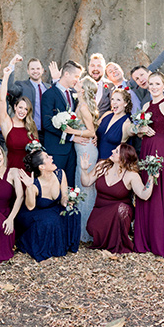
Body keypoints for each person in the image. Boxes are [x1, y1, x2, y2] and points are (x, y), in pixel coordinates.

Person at [133, 54, 164, 257]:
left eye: (157, 83)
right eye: (151, 84)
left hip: (160, 151)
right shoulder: (145, 106)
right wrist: (142, 130)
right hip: (145, 149)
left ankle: (159, 241)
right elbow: (138, 129)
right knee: (146, 190)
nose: (153, 86)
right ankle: (144, 239)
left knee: (159, 191)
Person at [80, 144, 154, 254]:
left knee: (121, 209)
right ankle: (106, 241)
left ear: (123, 157)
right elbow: (86, 182)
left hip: (120, 210)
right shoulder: (102, 166)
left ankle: (119, 242)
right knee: (91, 227)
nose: (112, 151)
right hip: (100, 208)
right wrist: (84, 170)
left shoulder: (131, 175)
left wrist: (151, 177)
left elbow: (144, 195)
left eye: (117, 151)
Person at [17, 149, 80, 262]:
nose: (51, 157)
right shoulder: (35, 184)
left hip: (51, 208)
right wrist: (29, 187)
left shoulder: (60, 174)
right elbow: (30, 207)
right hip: (33, 213)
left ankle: (69, 244)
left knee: (73, 212)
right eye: (47, 157)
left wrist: (67, 202)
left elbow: (64, 196)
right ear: (41, 167)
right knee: (51, 219)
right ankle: (29, 241)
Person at [42, 60, 84, 186]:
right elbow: (47, 123)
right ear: (66, 74)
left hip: (72, 151)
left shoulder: (72, 94)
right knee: (55, 183)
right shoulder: (49, 95)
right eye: (76, 76)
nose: (77, 80)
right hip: (56, 149)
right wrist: (71, 137)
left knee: (69, 184)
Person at [73, 76, 99, 241]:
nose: (77, 83)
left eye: (80, 82)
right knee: (80, 184)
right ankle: (81, 229)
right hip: (81, 147)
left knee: (86, 188)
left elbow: (91, 132)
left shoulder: (83, 107)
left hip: (86, 148)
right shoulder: (79, 103)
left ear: (83, 89)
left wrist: (71, 132)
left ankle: (86, 233)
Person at [0, 63, 39, 169]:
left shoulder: (30, 124)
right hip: (12, 168)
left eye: (26, 109)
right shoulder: (7, 122)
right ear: (15, 107)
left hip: (30, 169)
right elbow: (2, 100)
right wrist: (6, 76)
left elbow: (37, 147)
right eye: (20, 107)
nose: (22, 111)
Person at [14, 58, 59, 143]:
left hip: (48, 133)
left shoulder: (49, 87)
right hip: (28, 132)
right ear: (28, 71)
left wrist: (56, 80)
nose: (35, 71)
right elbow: (11, 89)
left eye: (38, 69)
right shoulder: (21, 85)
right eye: (32, 69)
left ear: (42, 70)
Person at [96, 89, 134, 160]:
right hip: (94, 158)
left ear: (125, 103)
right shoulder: (107, 114)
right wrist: (94, 136)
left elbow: (133, 130)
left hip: (110, 162)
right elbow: (94, 128)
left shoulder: (126, 123)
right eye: (112, 99)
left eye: (118, 100)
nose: (114, 102)